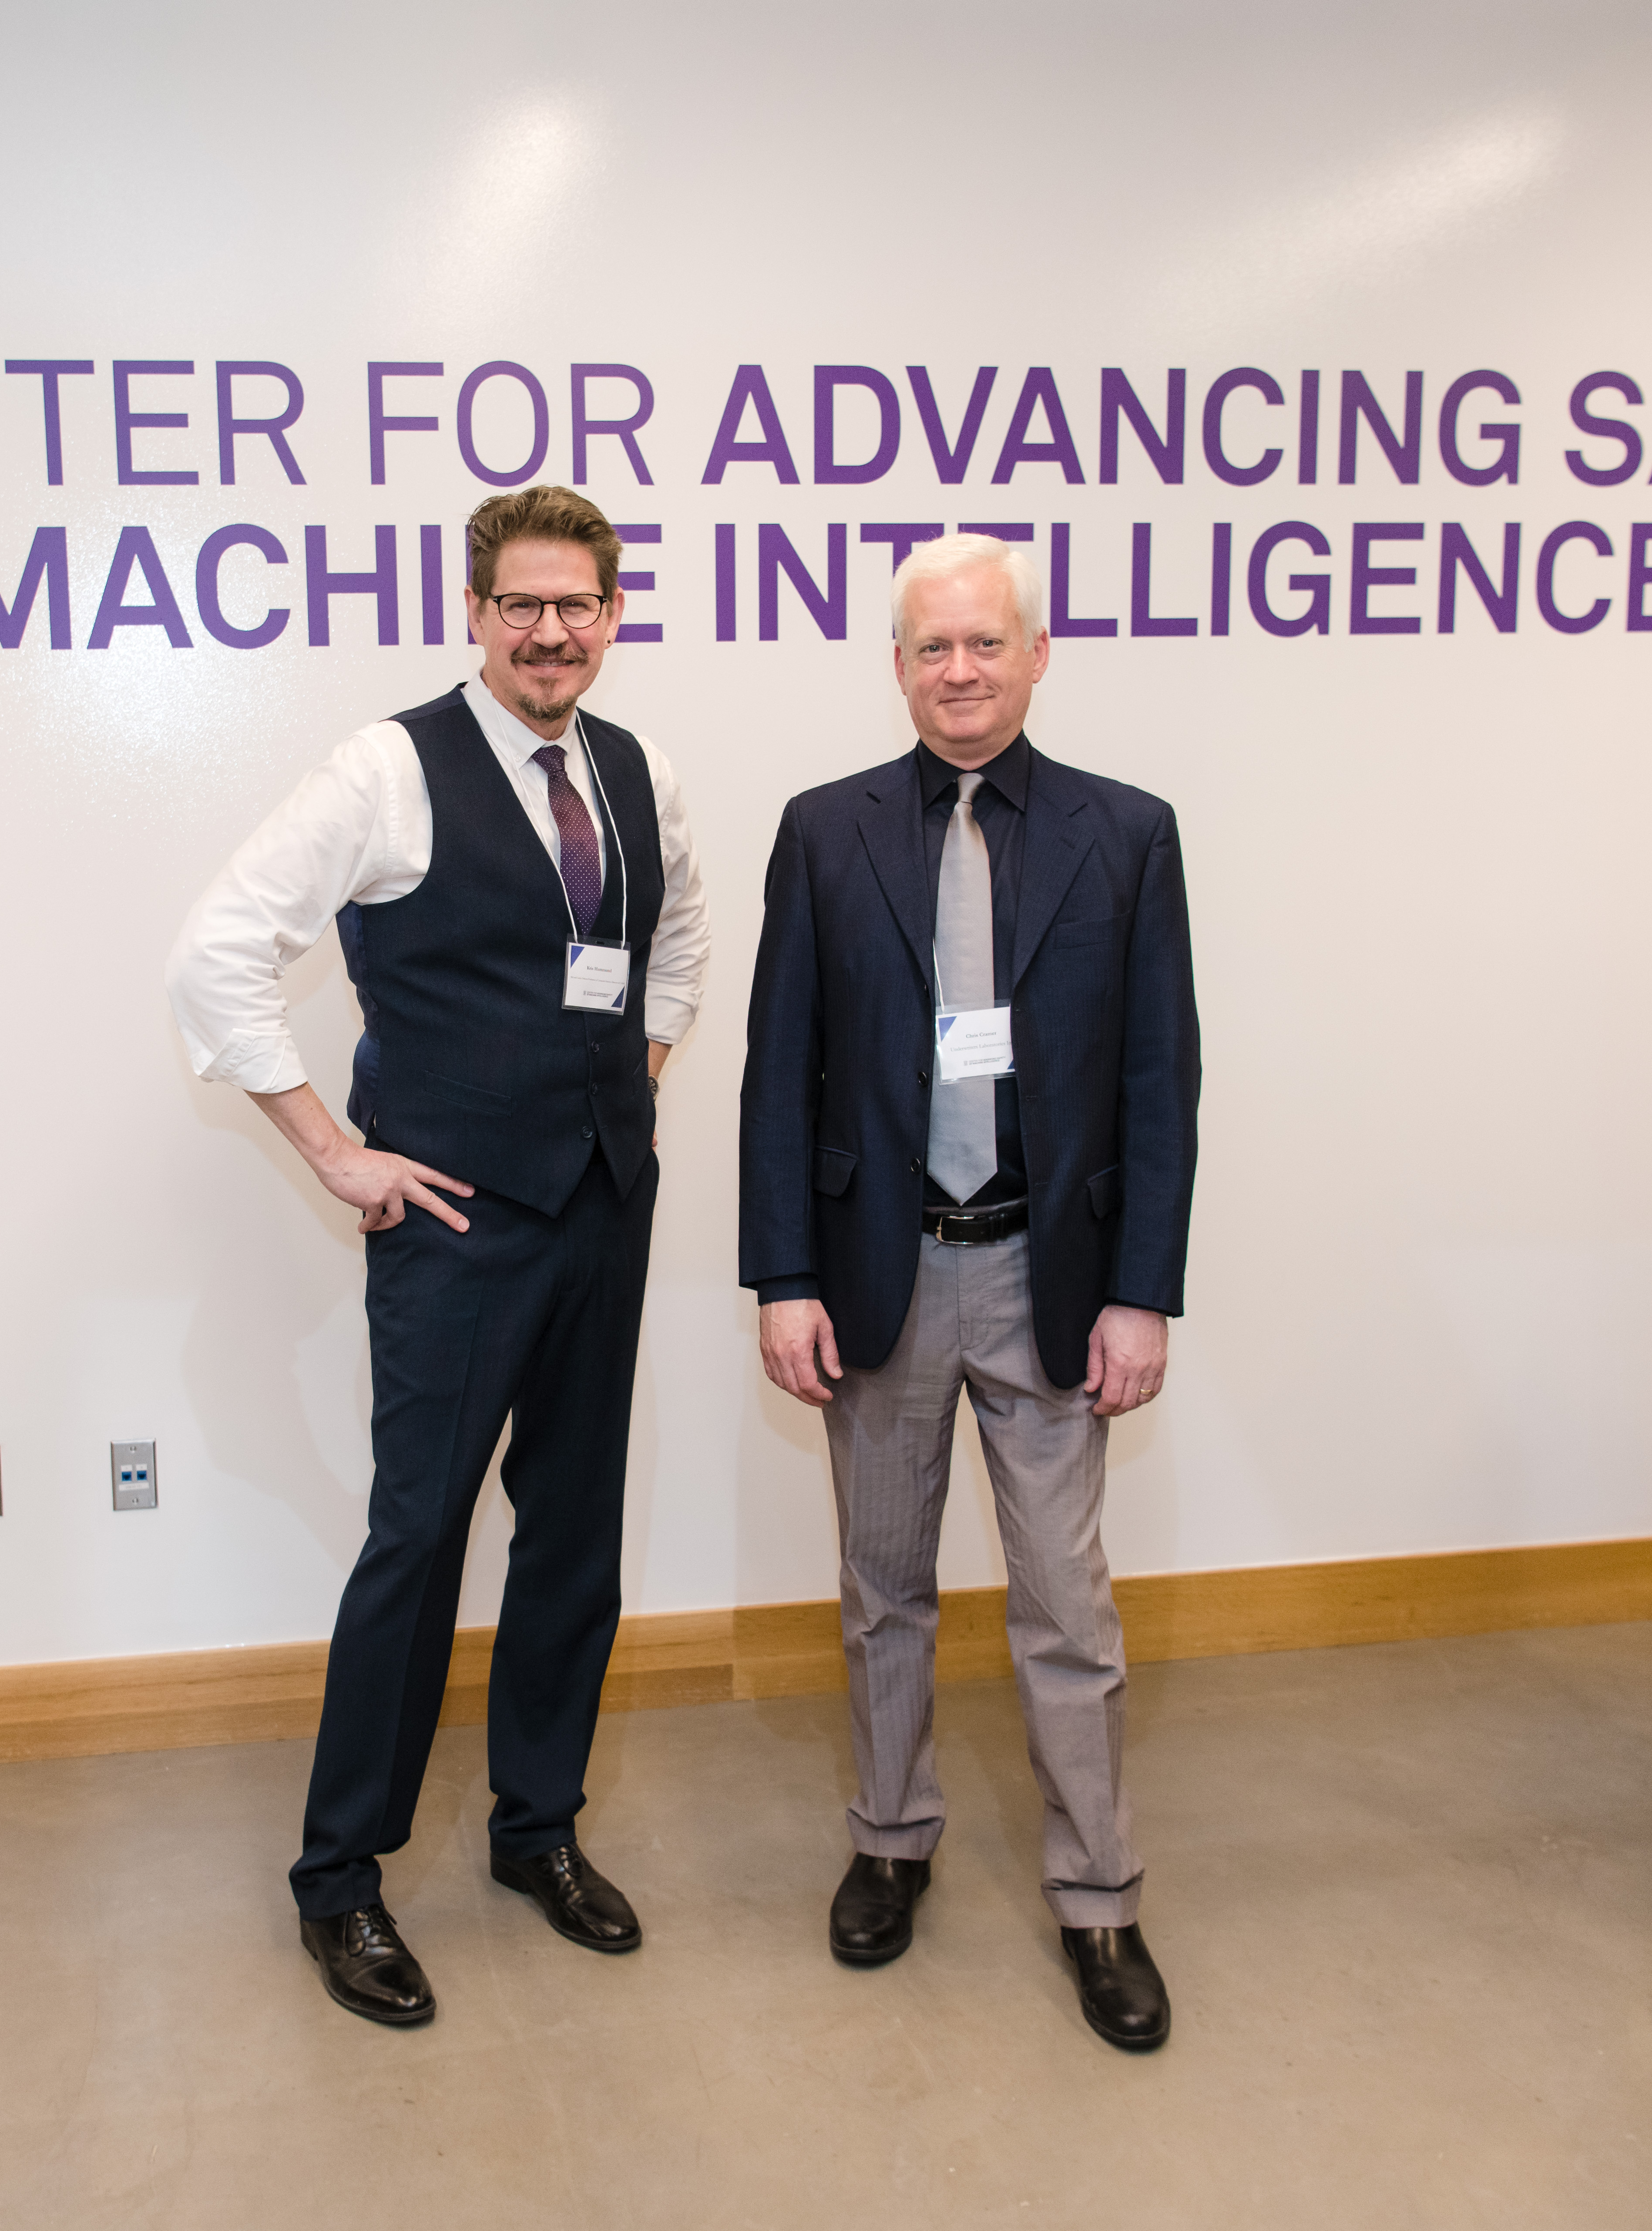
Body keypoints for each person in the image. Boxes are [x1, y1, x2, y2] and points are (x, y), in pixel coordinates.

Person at [167, 484, 709, 2026]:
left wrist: (640, 1079)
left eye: (581, 606)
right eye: (524, 606)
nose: (553, 633)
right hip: (456, 1227)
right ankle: (340, 1883)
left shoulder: (638, 768)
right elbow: (213, 952)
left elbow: (676, 941)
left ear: (612, 617)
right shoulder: (387, 769)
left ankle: (537, 1831)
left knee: (574, 1535)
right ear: (476, 614)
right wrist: (336, 1151)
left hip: (606, 1206)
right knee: (418, 1545)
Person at [737, 530, 1199, 2050]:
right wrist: (783, 1278)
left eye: (985, 644)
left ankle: (1102, 1901)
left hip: (1046, 1276)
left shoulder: (1126, 836)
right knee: (885, 1594)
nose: (959, 671)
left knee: (1068, 1605)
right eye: (931, 648)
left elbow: (1159, 1082)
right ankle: (889, 1839)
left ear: (1035, 654)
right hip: (881, 1276)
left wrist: (1143, 1295)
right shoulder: (824, 834)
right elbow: (776, 1073)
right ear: (898, 665)